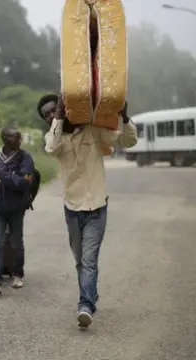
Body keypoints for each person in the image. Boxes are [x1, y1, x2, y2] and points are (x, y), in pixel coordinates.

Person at [38, 93, 137, 329]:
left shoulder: (93, 130)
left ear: (66, 106)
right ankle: (91, 296)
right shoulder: (55, 138)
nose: (52, 115)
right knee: (80, 262)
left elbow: (127, 141)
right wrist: (59, 120)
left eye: (54, 109)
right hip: (72, 208)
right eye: (47, 115)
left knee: (89, 260)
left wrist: (124, 115)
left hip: (96, 208)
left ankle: (84, 305)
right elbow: (51, 149)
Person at [0, 125, 35, 295]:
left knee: (16, 241)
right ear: (5, 139)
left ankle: (18, 274)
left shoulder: (25, 158)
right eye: (14, 137)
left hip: (17, 207)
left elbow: (24, 182)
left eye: (19, 137)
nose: (19, 140)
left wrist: (4, 174)